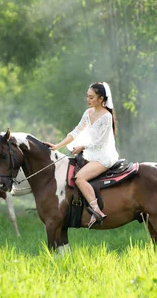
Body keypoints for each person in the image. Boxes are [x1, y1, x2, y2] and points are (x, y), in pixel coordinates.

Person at [46, 82, 119, 228]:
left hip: (103, 155)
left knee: (79, 178)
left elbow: (100, 142)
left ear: (101, 99)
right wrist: (57, 146)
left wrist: (82, 147)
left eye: (91, 97)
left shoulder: (106, 117)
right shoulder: (88, 113)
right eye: (87, 96)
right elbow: (76, 132)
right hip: (90, 153)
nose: (88, 99)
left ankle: (96, 210)